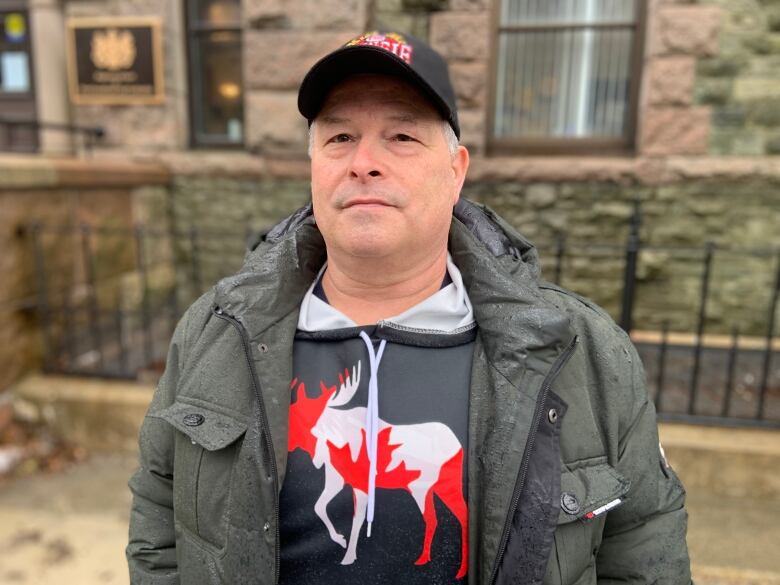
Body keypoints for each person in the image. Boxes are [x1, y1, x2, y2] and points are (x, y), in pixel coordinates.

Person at [126, 30, 691, 585]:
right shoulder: (214, 335)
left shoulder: (581, 350)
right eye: (340, 136)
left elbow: (643, 544)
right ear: (314, 167)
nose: (363, 162)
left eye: (401, 136)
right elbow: (159, 520)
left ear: (456, 171)